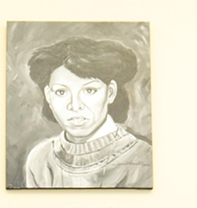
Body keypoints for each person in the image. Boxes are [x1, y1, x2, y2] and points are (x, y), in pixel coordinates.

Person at [23, 37, 152, 189]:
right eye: (61, 92)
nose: (75, 105)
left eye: (89, 90)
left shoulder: (142, 159)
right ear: (48, 96)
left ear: (110, 93)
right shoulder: (40, 159)